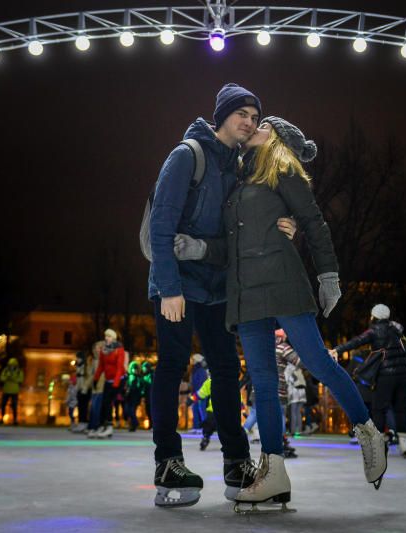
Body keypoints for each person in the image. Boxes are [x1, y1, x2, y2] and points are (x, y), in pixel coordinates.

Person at [176, 116, 388, 508]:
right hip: (247, 293)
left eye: (263, 125)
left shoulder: (284, 169)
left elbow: (314, 221)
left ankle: (369, 431)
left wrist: (328, 275)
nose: (255, 126)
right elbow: (231, 244)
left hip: (281, 281)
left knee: (318, 362)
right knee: (261, 382)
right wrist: (199, 249)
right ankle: (273, 470)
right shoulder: (239, 182)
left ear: (277, 139)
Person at [148, 83, 297, 508]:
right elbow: (161, 227)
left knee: (227, 369)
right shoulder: (186, 156)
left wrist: (285, 224)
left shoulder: (239, 166)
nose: (249, 121)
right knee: (173, 364)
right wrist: (169, 288)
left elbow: (237, 234)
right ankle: (168, 462)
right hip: (177, 284)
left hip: (215, 288)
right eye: (242, 114)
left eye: (254, 116)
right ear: (223, 116)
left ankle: (237, 462)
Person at [334, 304, 406, 457]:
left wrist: (337, 350)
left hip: (385, 374)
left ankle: (379, 444)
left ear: (374, 316)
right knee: (401, 409)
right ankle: (404, 445)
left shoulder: (375, 330)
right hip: (404, 374)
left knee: (379, 408)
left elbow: (357, 341)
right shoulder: (397, 330)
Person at [89, 329, 125, 439]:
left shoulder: (119, 350)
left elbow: (119, 367)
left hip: (119, 379)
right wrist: (95, 379)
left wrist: (116, 383)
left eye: (109, 336)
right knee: (104, 403)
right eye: (106, 336)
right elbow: (101, 366)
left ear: (113, 338)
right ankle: (103, 426)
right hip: (108, 380)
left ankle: (109, 427)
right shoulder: (103, 351)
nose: (106, 338)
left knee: (108, 402)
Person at [0, 357, 24, 426]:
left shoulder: (19, 371)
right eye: (10, 365)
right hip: (6, 390)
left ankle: (15, 420)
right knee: (3, 405)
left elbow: (20, 379)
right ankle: (2, 419)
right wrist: (9, 377)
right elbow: (1, 378)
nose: (12, 366)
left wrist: (11, 378)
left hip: (14, 391)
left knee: (14, 406)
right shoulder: (6, 370)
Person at [196, 376, 217, 451]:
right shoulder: (230, 379)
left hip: (214, 409)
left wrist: (191, 399)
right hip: (225, 410)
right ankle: (206, 437)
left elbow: (201, 393)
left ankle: (205, 437)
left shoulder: (210, 381)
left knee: (209, 425)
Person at [189, 353, 209, 433]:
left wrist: (198, 393)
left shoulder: (200, 370)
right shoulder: (196, 370)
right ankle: (197, 427)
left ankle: (205, 427)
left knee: (201, 410)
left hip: (200, 393)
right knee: (196, 409)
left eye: (193, 359)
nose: (191, 361)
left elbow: (201, 383)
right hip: (196, 393)